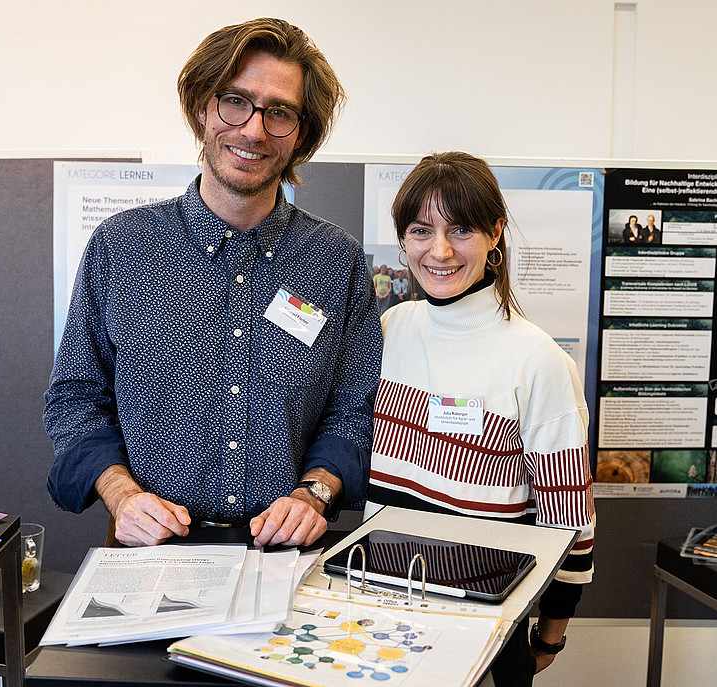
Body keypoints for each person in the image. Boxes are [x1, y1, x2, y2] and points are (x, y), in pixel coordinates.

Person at [44, 18, 382, 548]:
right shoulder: (120, 248)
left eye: (281, 112)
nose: (253, 129)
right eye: (235, 101)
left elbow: (355, 408)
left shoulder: (336, 261)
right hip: (147, 552)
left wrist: (314, 492)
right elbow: (75, 399)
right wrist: (119, 494)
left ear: (301, 134)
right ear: (201, 108)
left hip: (285, 554)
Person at [366, 152, 594, 686]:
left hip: (483, 635)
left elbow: (572, 528)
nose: (439, 251)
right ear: (403, 239)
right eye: (422, 230)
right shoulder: (392, 329)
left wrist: (548, 637)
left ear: (494, 233)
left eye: (460, 229)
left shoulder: (537, 359)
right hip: (379, 623)